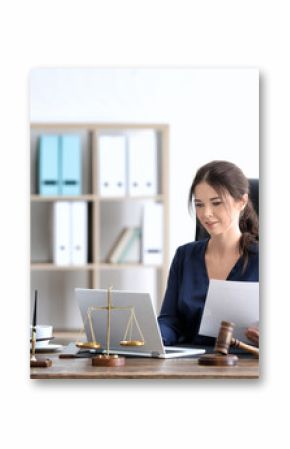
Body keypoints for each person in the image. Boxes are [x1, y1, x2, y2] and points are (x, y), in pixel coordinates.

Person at [158, 160, 259, 347]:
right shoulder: (184, 256)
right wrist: (151, 336)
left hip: (245, 363)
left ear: (241, 202)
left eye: (216, 203)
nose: (206, 214)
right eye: (199, 204)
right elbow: (170, 321)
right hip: (190, 362)